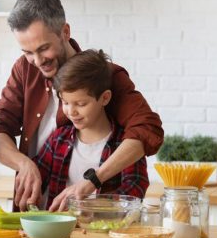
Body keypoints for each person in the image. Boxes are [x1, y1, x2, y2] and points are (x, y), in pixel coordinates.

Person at [0, 0, 163, 211]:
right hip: (38, 213)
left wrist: (93, 181)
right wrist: (23, 164)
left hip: (94, 219)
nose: (37, 61)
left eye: (43, 48)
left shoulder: (104, 76)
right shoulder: (25, 69)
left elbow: (147, 129)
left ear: (65, 32)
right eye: (28, 52)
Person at [36, 49, 149, 211]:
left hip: (105, 232)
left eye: (81, 104)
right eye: (65, 102)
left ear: (105, 98)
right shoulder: (58, 139)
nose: (71, 111)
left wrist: (89, 205)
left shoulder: (125, 144)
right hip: (59, 233)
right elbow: (37, 179)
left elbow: (135, 191)